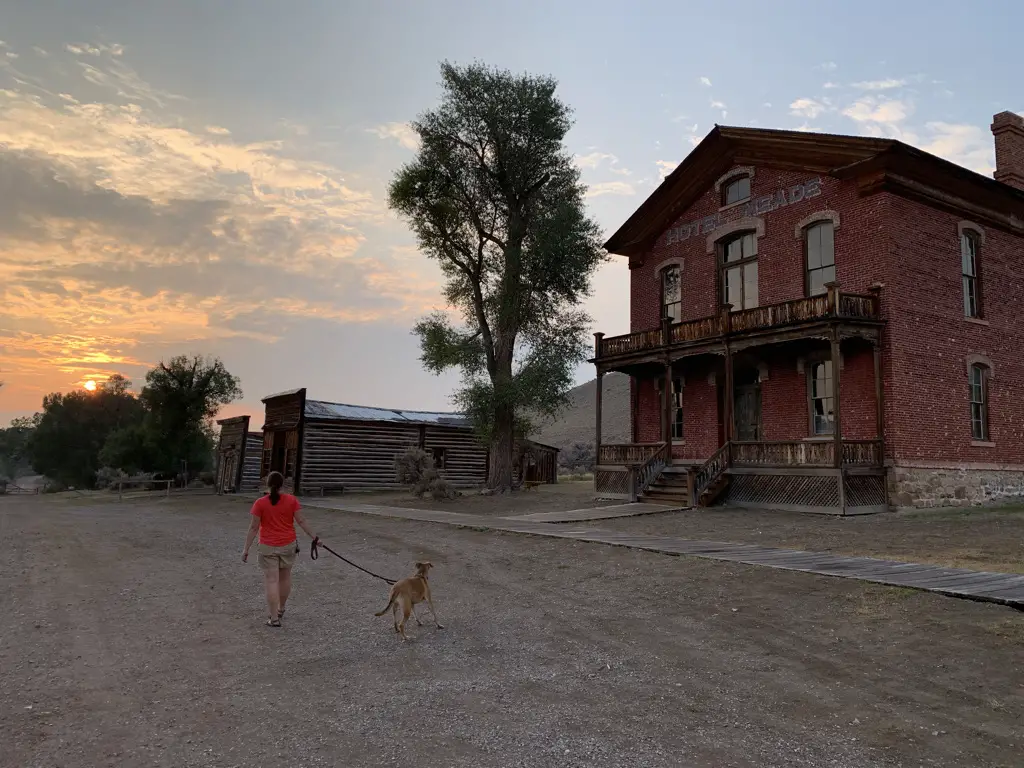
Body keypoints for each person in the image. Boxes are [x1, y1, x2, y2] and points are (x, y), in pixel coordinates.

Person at [242, 471, 320, 627]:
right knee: (284, 579)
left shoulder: (260, 503)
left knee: (271, 581)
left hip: (267, 547)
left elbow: (253, 528)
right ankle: (281, 608)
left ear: (268, 484)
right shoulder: (292, 501)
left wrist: (246, 549)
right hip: (287, 545)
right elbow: (302, 521)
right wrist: (315, 538)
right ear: (283, 484)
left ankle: (274, 618)